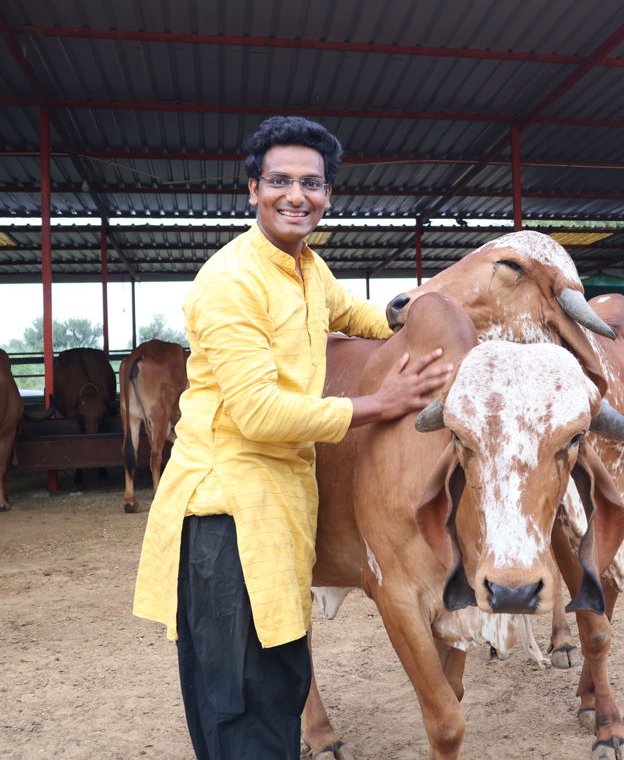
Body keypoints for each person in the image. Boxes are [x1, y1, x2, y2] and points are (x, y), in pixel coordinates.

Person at [133, 116, 453, 759]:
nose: (296, 195)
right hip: (224, 507)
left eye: (311, 183)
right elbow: (255, 411)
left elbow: (352, 315)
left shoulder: (307, 267)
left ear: (329, 195)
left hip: (279, 497)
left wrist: (422, 307)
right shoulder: (231, 281)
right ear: (253, 189)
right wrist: (378, 402)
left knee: (280, 675)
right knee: (236, 687)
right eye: (280, 180)